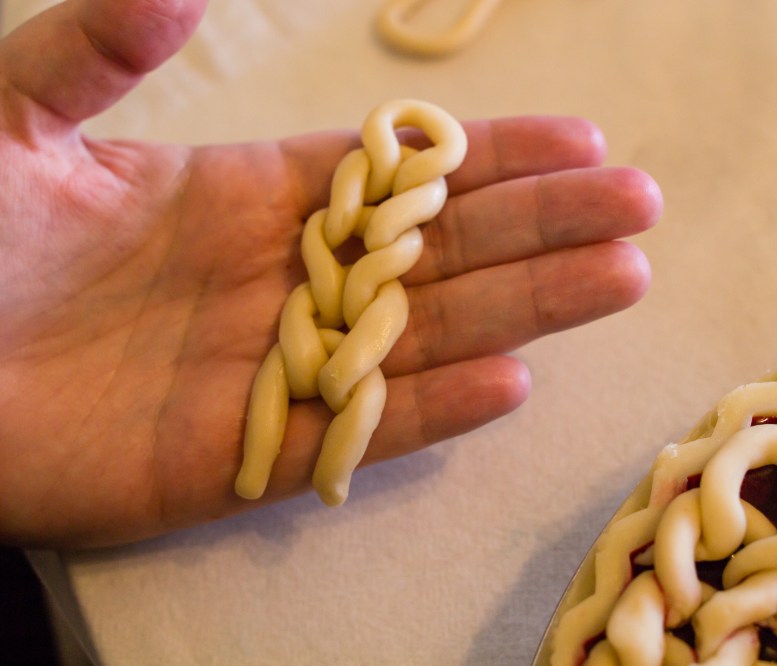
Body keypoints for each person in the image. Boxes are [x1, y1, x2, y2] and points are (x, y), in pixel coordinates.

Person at [0, 0, 662, 548]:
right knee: (323, 362)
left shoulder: (367, 232)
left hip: (355, 270)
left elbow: (353, 279)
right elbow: (338, 258)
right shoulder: (339, 235)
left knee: (339, 365)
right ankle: (285, 465)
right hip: (342, 273)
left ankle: (295, 465)